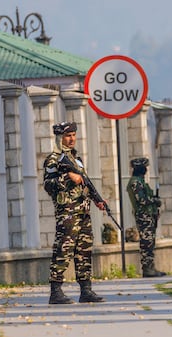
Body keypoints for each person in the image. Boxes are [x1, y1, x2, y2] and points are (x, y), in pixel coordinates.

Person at [43, 121, 107, 304]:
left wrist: (97, 200)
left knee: (84, 250)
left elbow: (84, 184)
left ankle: (86, 290)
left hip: (83, 211)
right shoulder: (53, 160)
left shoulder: (76, 159)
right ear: (59, 137)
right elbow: (49, 186)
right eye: (67, 136)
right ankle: (55, 291)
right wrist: (67, 177)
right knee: (63, 249)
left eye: (73, 135)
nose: (71, 139)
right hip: (67, 213)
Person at [126, 158, 166, 277]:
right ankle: (147, 269)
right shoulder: (135, 182)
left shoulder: (140, 181)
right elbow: (142, 200)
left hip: (148, 215)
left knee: (150, 242)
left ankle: (151, 267)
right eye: (144, 168)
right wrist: (155, 201)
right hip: (143, 216)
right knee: (146, 243)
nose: (145, 171)